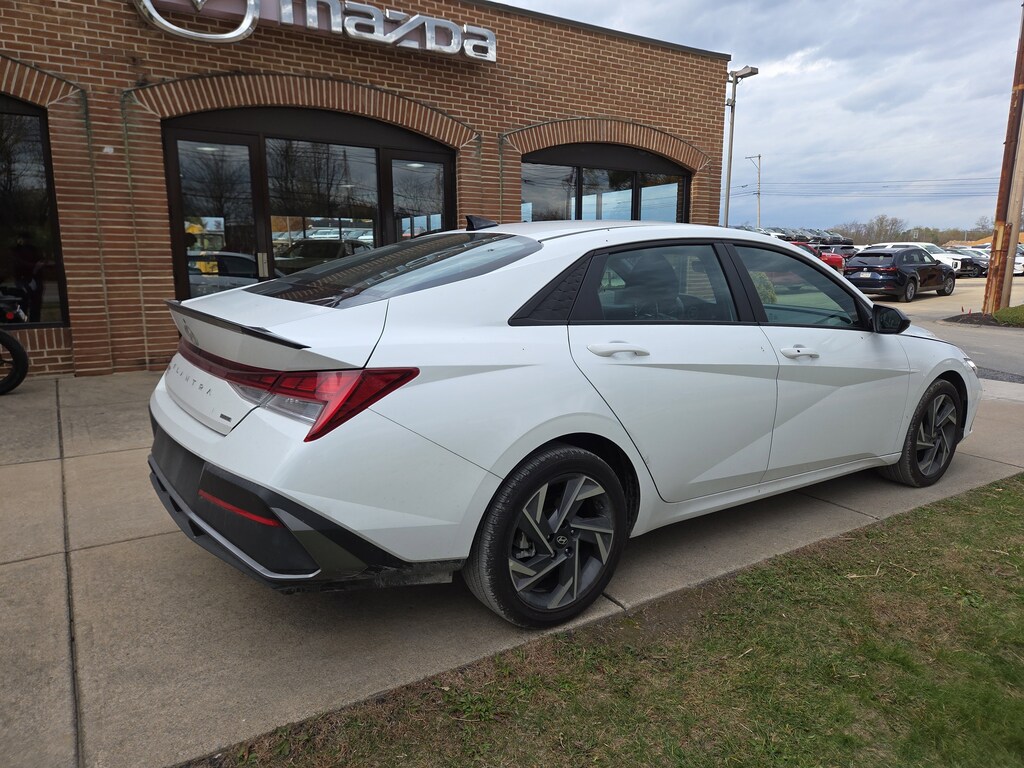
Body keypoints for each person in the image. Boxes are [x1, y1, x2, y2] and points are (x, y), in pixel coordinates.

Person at [9, 232, 45, 322]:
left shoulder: (34, 250)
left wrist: (37, 268)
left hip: (35, 279)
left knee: (35, 304)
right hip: (22, 279)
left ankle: (34, 323)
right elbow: (18, 264)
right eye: (23, 239)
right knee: (23, 302)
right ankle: (22, 323)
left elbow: (41, 262)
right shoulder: (16, 251)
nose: (24, 241)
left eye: (26, 239)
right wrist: (34, 266)